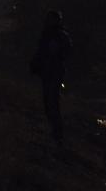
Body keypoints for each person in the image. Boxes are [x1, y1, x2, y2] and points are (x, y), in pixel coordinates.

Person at [30, 10, 73, 144]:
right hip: (47, 71)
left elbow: (65, 53)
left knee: (53, 101)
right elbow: (40, 52)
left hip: (55, 71)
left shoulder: (60, 36)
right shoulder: (48, 34)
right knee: (48, 102)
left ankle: (57, 132)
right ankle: (54, 130)